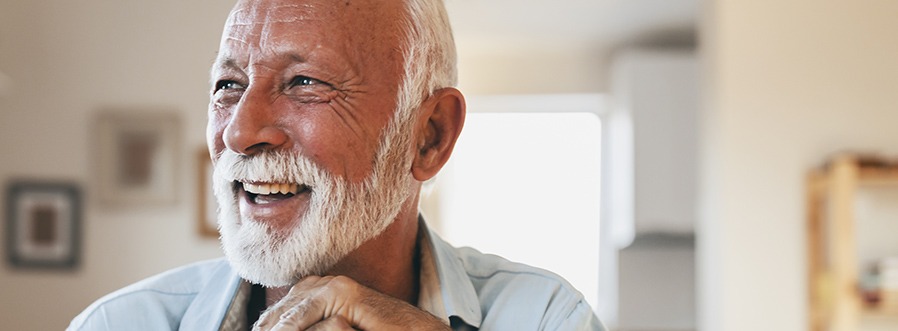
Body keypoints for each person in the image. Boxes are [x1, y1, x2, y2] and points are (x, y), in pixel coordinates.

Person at [69, 0, 606, 329]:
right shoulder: (118, 324)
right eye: (228, 86)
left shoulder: (545, 319)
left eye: (306, 82)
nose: (239, 131)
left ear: (429, 137)